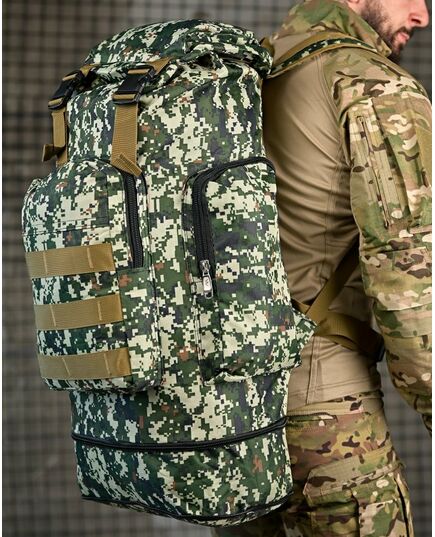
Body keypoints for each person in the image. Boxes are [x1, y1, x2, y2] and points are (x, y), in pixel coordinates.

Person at [211, 0, 431, 535]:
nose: (423, 15)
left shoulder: (246, 74)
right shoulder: (369, 83)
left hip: (226, 411)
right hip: (326, 412)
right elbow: (409, 281)